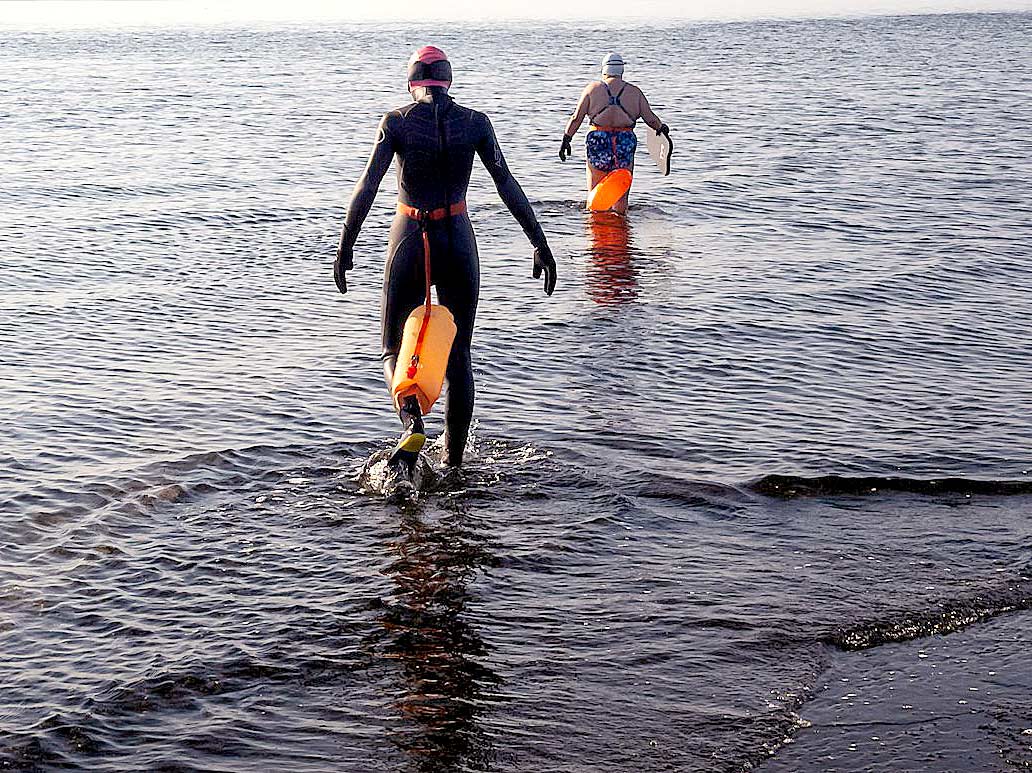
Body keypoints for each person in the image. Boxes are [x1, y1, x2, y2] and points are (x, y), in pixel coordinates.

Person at [334, 46, 557, 473]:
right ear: (449, 81)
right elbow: (506, 183)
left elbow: (367, 185)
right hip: (456, 236)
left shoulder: (396, 122)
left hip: (409, 237)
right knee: (460, 359)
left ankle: (412, 420)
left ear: (411, 82)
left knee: (391, 348)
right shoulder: (474, 123)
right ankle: (454, 463)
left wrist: (346, 246)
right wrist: (539, 242)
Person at [559, 52, 670, 214]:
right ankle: (620, 226)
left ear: (604, 69)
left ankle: (596, 230)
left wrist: (566, 139)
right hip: (624, 142)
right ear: (622, 70)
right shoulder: (635, 93)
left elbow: (576, 118)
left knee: (596, 188)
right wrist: (661, 128)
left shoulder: (592, 89)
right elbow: (651, 119)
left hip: (598, 140)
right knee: (621, 190)